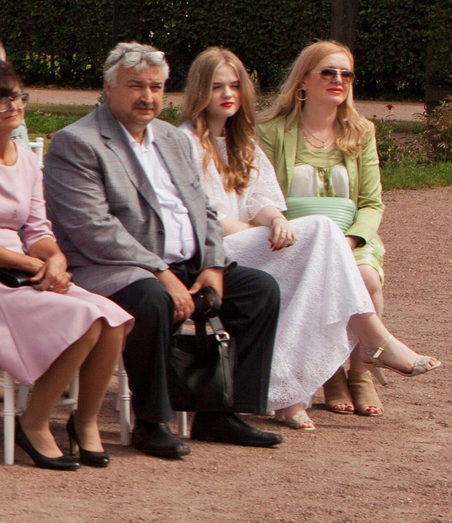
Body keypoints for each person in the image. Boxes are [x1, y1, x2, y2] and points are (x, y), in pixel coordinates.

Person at [42, 42, 285, 461]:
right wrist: (161, 273)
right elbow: (93, 229)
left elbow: (204, 209)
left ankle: (221, 410)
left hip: (186, 263)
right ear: (108, 88)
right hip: (112, 268)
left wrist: (213, 266)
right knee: (151, 299)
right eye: (135, 86)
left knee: (259, 290)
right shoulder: (77, 142)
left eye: (156, 87)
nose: (147, 97)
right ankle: (152, 421)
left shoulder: (172, 138)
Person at [183, 47, 436, 431]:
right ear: (200, 90)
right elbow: (203, 217)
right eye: (217, 86)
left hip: (245, 244)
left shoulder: (241, 141)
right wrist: (264, 229)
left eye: (235, 85)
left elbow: (261, 198)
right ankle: (374, 340)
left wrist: (276, 220)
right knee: (320, 230)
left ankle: (289, 396)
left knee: (313, 266)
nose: (227, 93)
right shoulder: (183, 142)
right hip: (209, 252)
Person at [0, 58, 133, 468]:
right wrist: (27, 265)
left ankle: (85, 422)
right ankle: (35, 423)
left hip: (23, 271)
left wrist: (54, 260)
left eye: (16, 97)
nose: (13, 106)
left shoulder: (27, 159)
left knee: (112, 318)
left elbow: (38, 229)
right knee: (85, 321)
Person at [256, 40, 414, 417]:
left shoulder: (361, 131)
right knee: (327, 277)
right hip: (294, 238)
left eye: (346, 73)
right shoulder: (272, 131)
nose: (338, 80)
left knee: (366, 278)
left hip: (352, 237)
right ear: (303, 82)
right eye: (328, 72)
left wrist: (350, 239)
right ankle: (330, 374)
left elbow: (372, 203)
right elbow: (261, 195)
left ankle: (360, 373)